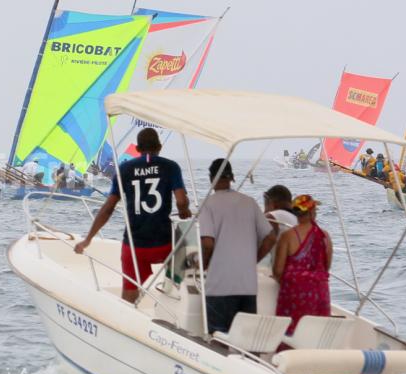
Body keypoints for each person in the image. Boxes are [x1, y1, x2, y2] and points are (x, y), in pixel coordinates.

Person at [74, 128, 190, 303]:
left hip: (135, 246)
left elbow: (108, 207)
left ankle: (127, 318)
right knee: (182, 271)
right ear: (159, 146)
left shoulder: (125, 169)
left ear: (137, 148)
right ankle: (177, 300)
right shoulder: (170, 167)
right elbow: (181, 201)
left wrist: (88, 239)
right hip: (165, 244)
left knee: (129, 294)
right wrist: (184, 212)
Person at [199, 158, 275, 334]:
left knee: (218, 339)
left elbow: (208, 243)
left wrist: (203, 265)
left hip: (220, 285)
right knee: (245, 340)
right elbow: (271, 237)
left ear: (211, 179)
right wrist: (252, 261)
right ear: (232, 178)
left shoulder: (208, 204)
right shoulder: (249, 202)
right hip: (247, 285)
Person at [272, 194, 333, 335]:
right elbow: (326, 266)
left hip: (294, 293)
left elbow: (278, 270)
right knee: (316, 334)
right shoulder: (325, 236)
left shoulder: (288, 236)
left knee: (291, 333)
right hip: (320, 292)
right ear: (311, 212)